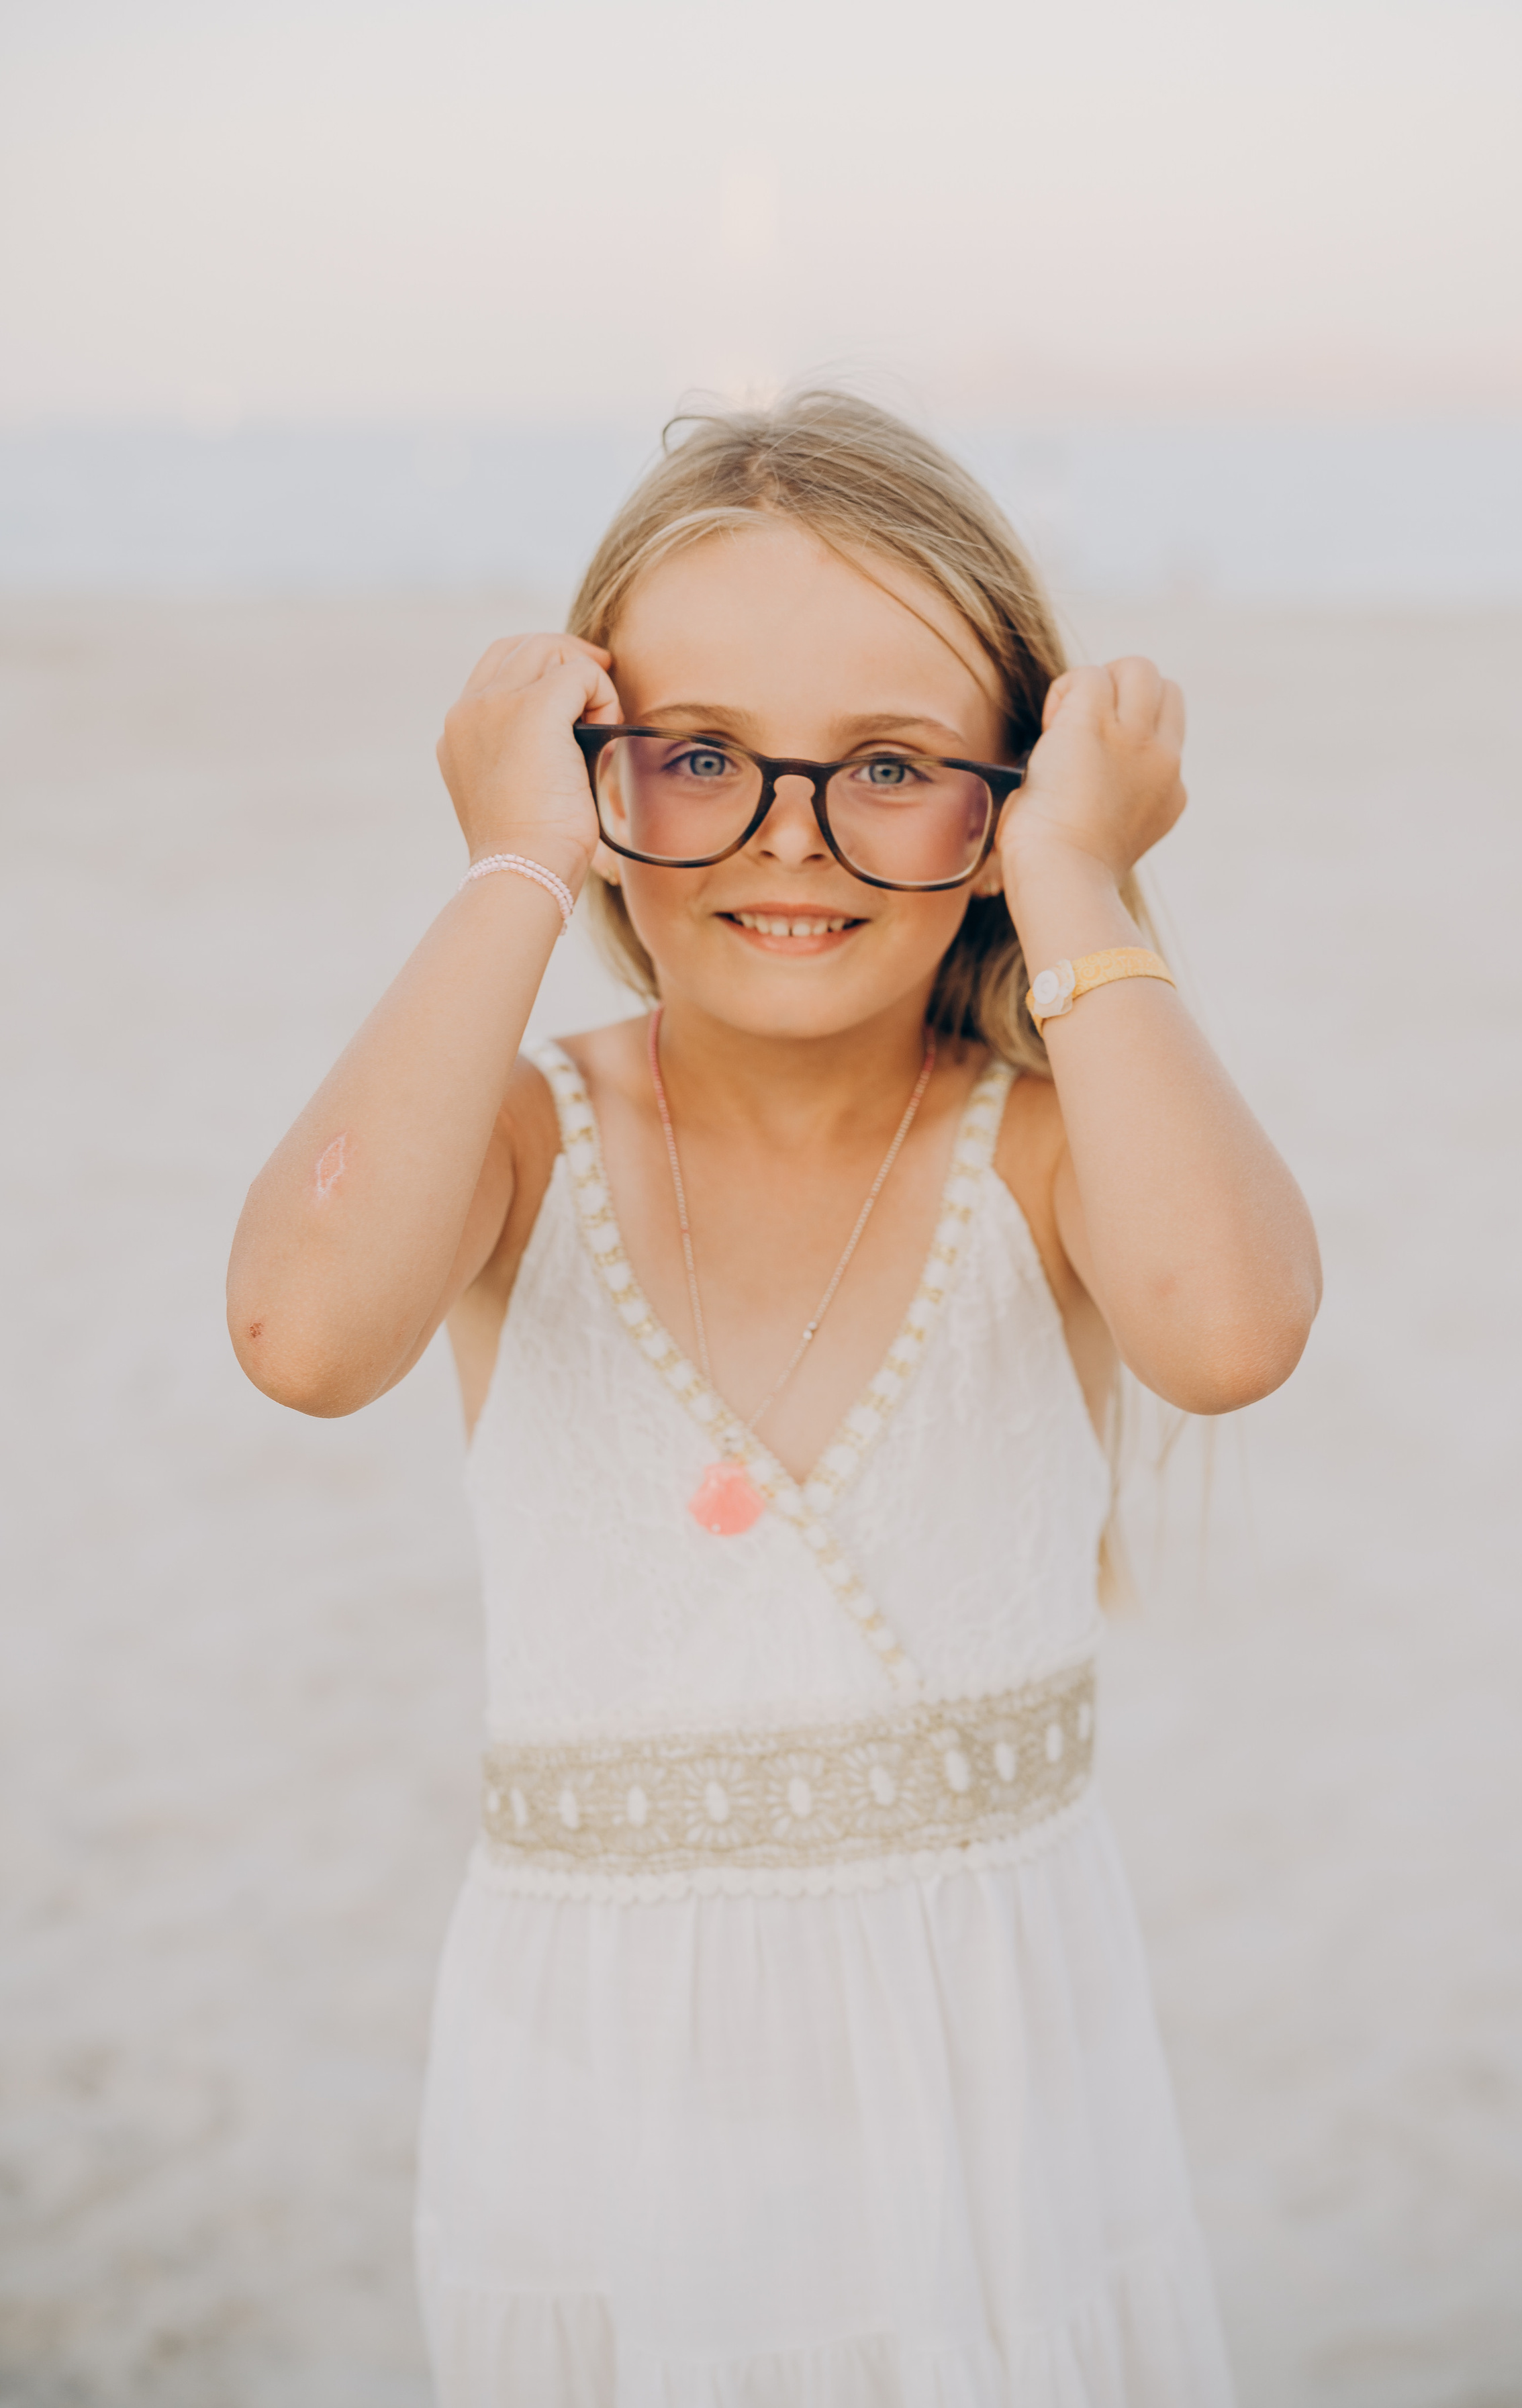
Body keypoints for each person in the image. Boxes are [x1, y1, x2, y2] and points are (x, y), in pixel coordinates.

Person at [228, 389, 1320, 2404]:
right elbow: (303, 1334)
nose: (786, 835)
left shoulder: (1053, 1148)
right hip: (602, 2117)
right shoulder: (522, 1145)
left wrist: (1081, 885)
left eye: (893, 764)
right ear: (590, 775)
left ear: (1000, 801)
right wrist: (508, 875)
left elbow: (1233, 1328)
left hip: (998, 2109)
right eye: (696, 755)